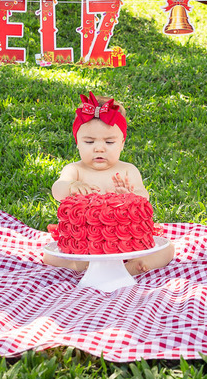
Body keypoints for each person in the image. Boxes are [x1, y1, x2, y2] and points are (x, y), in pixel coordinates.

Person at [43, 93, 175, 276]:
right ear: (77, 143)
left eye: (109, 141)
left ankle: (134, 266)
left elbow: (144, 196)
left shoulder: (128, 170)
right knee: (51, 256)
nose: (99, 148)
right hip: (84, 248)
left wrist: (130, 194)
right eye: (89, 141)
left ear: (122, 143)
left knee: (166, 249)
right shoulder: (75, 170)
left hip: (129, 246)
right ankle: (87, 267)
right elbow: (57, 189)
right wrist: (71, 186)